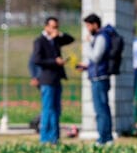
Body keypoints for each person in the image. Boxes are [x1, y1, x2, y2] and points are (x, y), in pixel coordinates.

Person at [32, 16, 74, 144]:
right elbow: (37, 60)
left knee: (56, 110)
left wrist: (59, 34)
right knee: (48, 110)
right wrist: (54, 61)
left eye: (57, 27)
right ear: (46, 27)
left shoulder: (56, 40)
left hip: (56, 79)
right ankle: (45, 138)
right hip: (47, 79)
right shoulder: (40, 41)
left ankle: (55, 138)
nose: (55, 29)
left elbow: (70, 39)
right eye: (53, 27)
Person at [79, 13, 114, 145]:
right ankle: (106, 137)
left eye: (88, 25)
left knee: (101, 109)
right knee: (101, 108)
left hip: (100, 78)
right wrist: (87, 67)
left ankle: (104, 138)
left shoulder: (101, 38)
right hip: (97, 76)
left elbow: (96, 57)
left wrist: (87, 44)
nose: (87, 28)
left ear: (95, 25)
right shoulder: (99, 37)